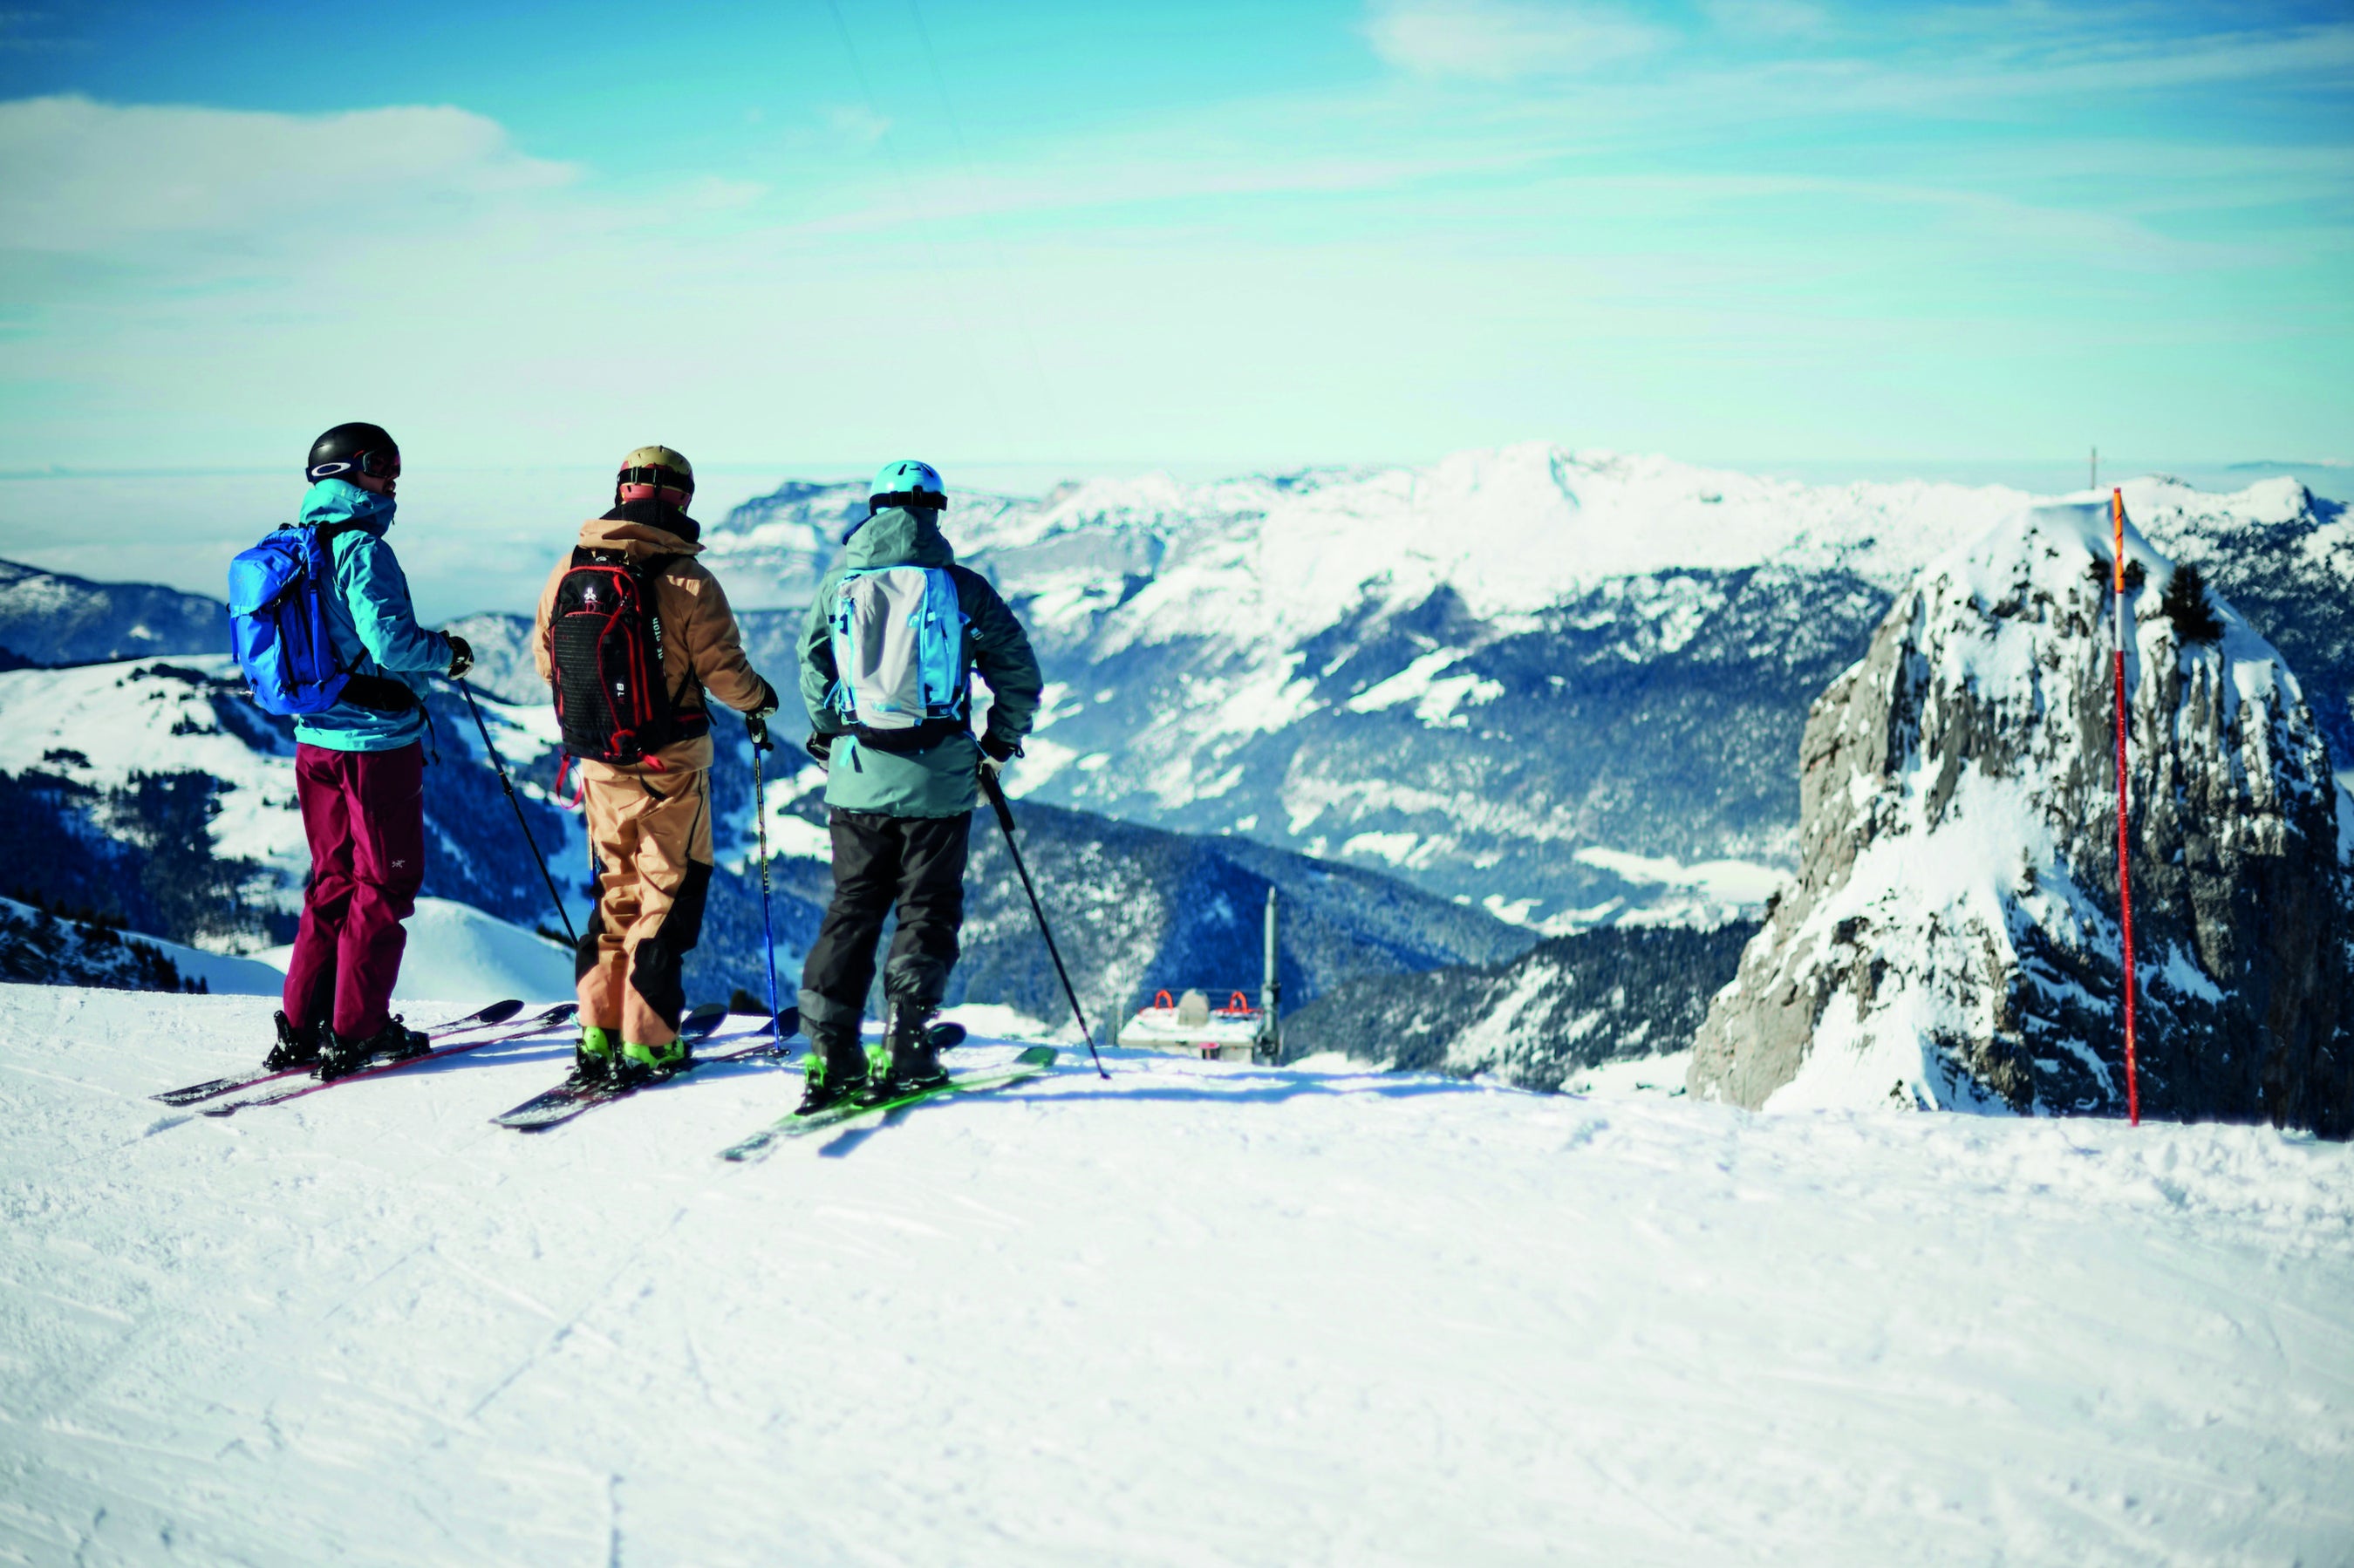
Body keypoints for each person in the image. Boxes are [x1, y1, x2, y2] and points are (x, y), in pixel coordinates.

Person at [794, 460, 1042, 1113]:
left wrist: (832, 734)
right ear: (936, 511)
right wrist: (995, 744)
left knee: (852, 908)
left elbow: (813, 666)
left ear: (874, 510)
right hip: (940, 780)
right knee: (926, 909)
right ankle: (906, 1044)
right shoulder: (962, 589)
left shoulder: (838, 586)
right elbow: (1018, 673)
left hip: (856, 776)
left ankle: (829, 1056)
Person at [535, 445, 779, 1087]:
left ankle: (597, 1029)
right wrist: (761, 699)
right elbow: (726, 676)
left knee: (614, 894)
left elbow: (546, 664)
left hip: (598, 761)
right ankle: (650, 1041)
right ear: (682, 500)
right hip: (671, 765)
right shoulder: (688, 581)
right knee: (664, 897)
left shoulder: (568, 570)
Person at [270, 421, 475, 1079]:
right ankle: (358, 1030)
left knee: (332, 881)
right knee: (384, 882)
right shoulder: (359, 547)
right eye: (382, 466)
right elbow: (389, 646)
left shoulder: (296, 543)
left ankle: (304, 1025)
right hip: (373, 745)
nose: (392, 479)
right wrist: (448, 652)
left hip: (314, 740)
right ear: (349, 472)